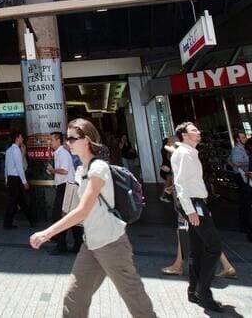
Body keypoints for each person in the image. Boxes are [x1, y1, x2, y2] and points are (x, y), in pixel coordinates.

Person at [29, 119, 157, 318]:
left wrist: (48, 233)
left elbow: (83, 211)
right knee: (74, 298)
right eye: (67, 139)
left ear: (87, 140)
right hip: (91, 244)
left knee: (134, 297)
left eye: (72, 138)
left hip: (112, 243)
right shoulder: (83, 170)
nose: (67, 143)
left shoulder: (99, 169)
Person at [172, 121, 223, 313]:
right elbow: (180, 183)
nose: (198, 132)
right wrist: (191, 209)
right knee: (214, 246)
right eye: (194, 130)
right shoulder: (184, 154)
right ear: (185, 135)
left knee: (198, 248)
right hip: (192, 203)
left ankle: (194, 290)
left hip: (196, 203)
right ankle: (204, 292)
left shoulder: (190, 153)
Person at [45, 131, 83, 254]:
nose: (49, 142)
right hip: (65, 187)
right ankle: (77, 244)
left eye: (51, 139)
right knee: (68, 215)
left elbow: (65, 171)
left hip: (66, 187)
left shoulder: (62, 153)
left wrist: (52, 170)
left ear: (58, 140)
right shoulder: (59, 153)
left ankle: (62, 246)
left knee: (59, 216)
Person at [4, 130, 36, 229]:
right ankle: (30, 220)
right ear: (17, 138)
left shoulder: (9, 150)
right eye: (21, 137)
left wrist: (6, 178)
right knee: (16, 201)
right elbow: (19, 167)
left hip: (10, 178)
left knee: (17, 201)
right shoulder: (16, 150)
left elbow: (6, 166)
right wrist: (24, 181)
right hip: (16, 178)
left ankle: (30, 220)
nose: (22, 139)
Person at [227, 132, 252, 232]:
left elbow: (229, 160)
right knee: (245, 201)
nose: (245, 138)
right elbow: (237, 163)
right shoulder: (237, 149)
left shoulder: (242, 149)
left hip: (243, 176)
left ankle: (246, 224)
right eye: (243, 137)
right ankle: (244, 225)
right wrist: (251, 162)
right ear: (238, 139)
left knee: (246, 200)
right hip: (241, 176)